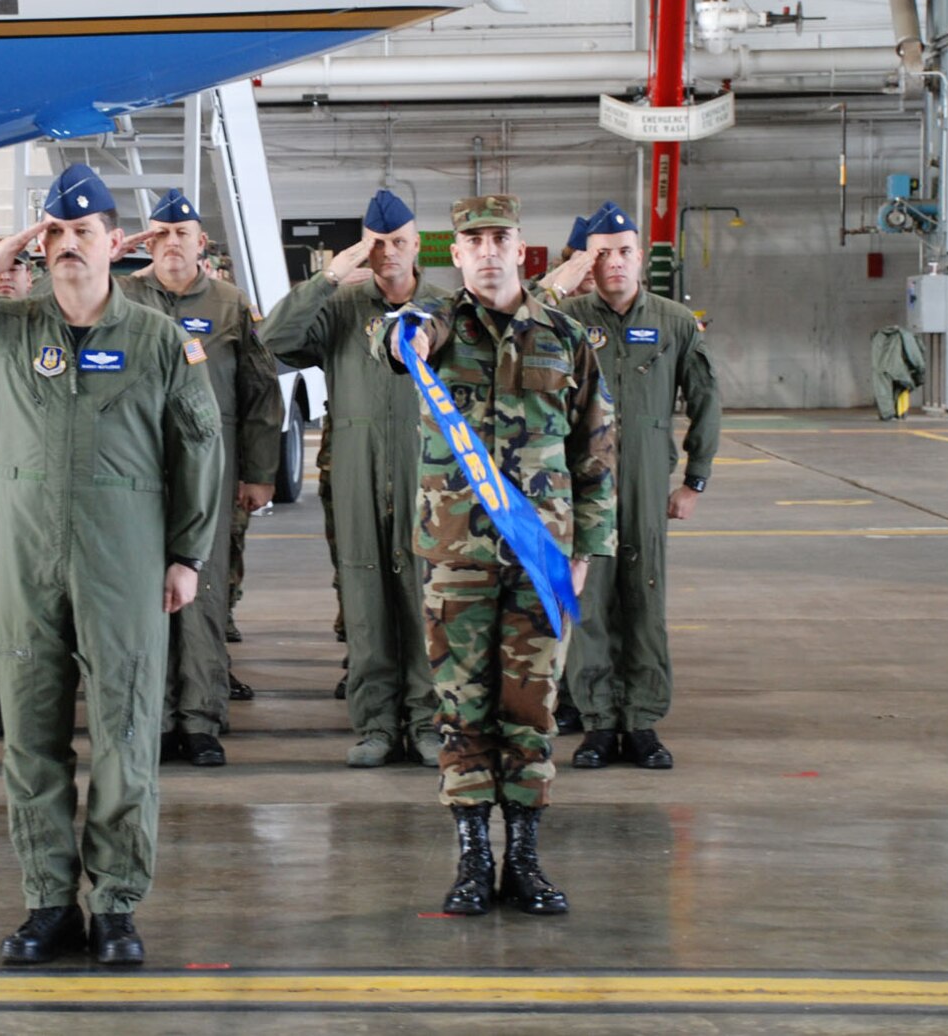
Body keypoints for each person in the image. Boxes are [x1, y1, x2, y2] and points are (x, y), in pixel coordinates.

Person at [0, 164, 223, 967]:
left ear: (116, 244)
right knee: (32, 736)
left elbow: (199, 447)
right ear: (38, 244)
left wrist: (186, 553)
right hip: (25, 557)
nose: (70, 245)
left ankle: (114, 905)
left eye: (84, 231)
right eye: (55, 232)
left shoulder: (158, 339)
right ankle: (47, 903)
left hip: (125, 557)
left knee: (126, 730)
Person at [382, 194, 616, 916]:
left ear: (524, 249)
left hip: (542, 556)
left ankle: (526, 859)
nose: (487, 251)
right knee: (463, 710)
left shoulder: (565, 336)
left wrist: (588, 547)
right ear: (453, 255)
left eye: (500, 238)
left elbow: (596, 449)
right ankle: (472, 859)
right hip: (458, 557)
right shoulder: (432, 326)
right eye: (472, 240)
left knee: (532, 710)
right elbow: (386, 339)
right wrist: (404, 333)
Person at [261, 191, 446, 769]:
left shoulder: (448, 308)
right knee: (365, 599)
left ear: (417, 245)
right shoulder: (342, 307)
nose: (386, 253)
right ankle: (375, 725)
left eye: (396, 242)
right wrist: (325, 279)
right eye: (374, 243)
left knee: (425, 600)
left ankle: (428, 721)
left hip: (428, 476)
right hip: (357, 474)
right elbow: (270, 344)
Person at [119, 189, 281, 767]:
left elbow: (262, 392)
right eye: (158, 235)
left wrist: (261, 472)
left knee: (204, 591)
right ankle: (157, 718)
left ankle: (201, 718)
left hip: (212, 470)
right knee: (145, 595)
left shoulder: (230, 302)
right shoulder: (121, 295)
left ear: (200, 243)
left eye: (180, 234)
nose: (170, 244)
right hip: (136, 468)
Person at [560, 202, 719, 771]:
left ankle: (643, 722)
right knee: (591, 600)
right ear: (587, 261)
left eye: (625, 252)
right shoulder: (568, 318)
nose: (615, 264)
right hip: (586, 486)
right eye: (602, 254)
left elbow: (705, 401)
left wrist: (693, 481)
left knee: (645, 597)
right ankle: (599, 723)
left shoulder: (675, 323)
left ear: (640, 257)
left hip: (650, 484)